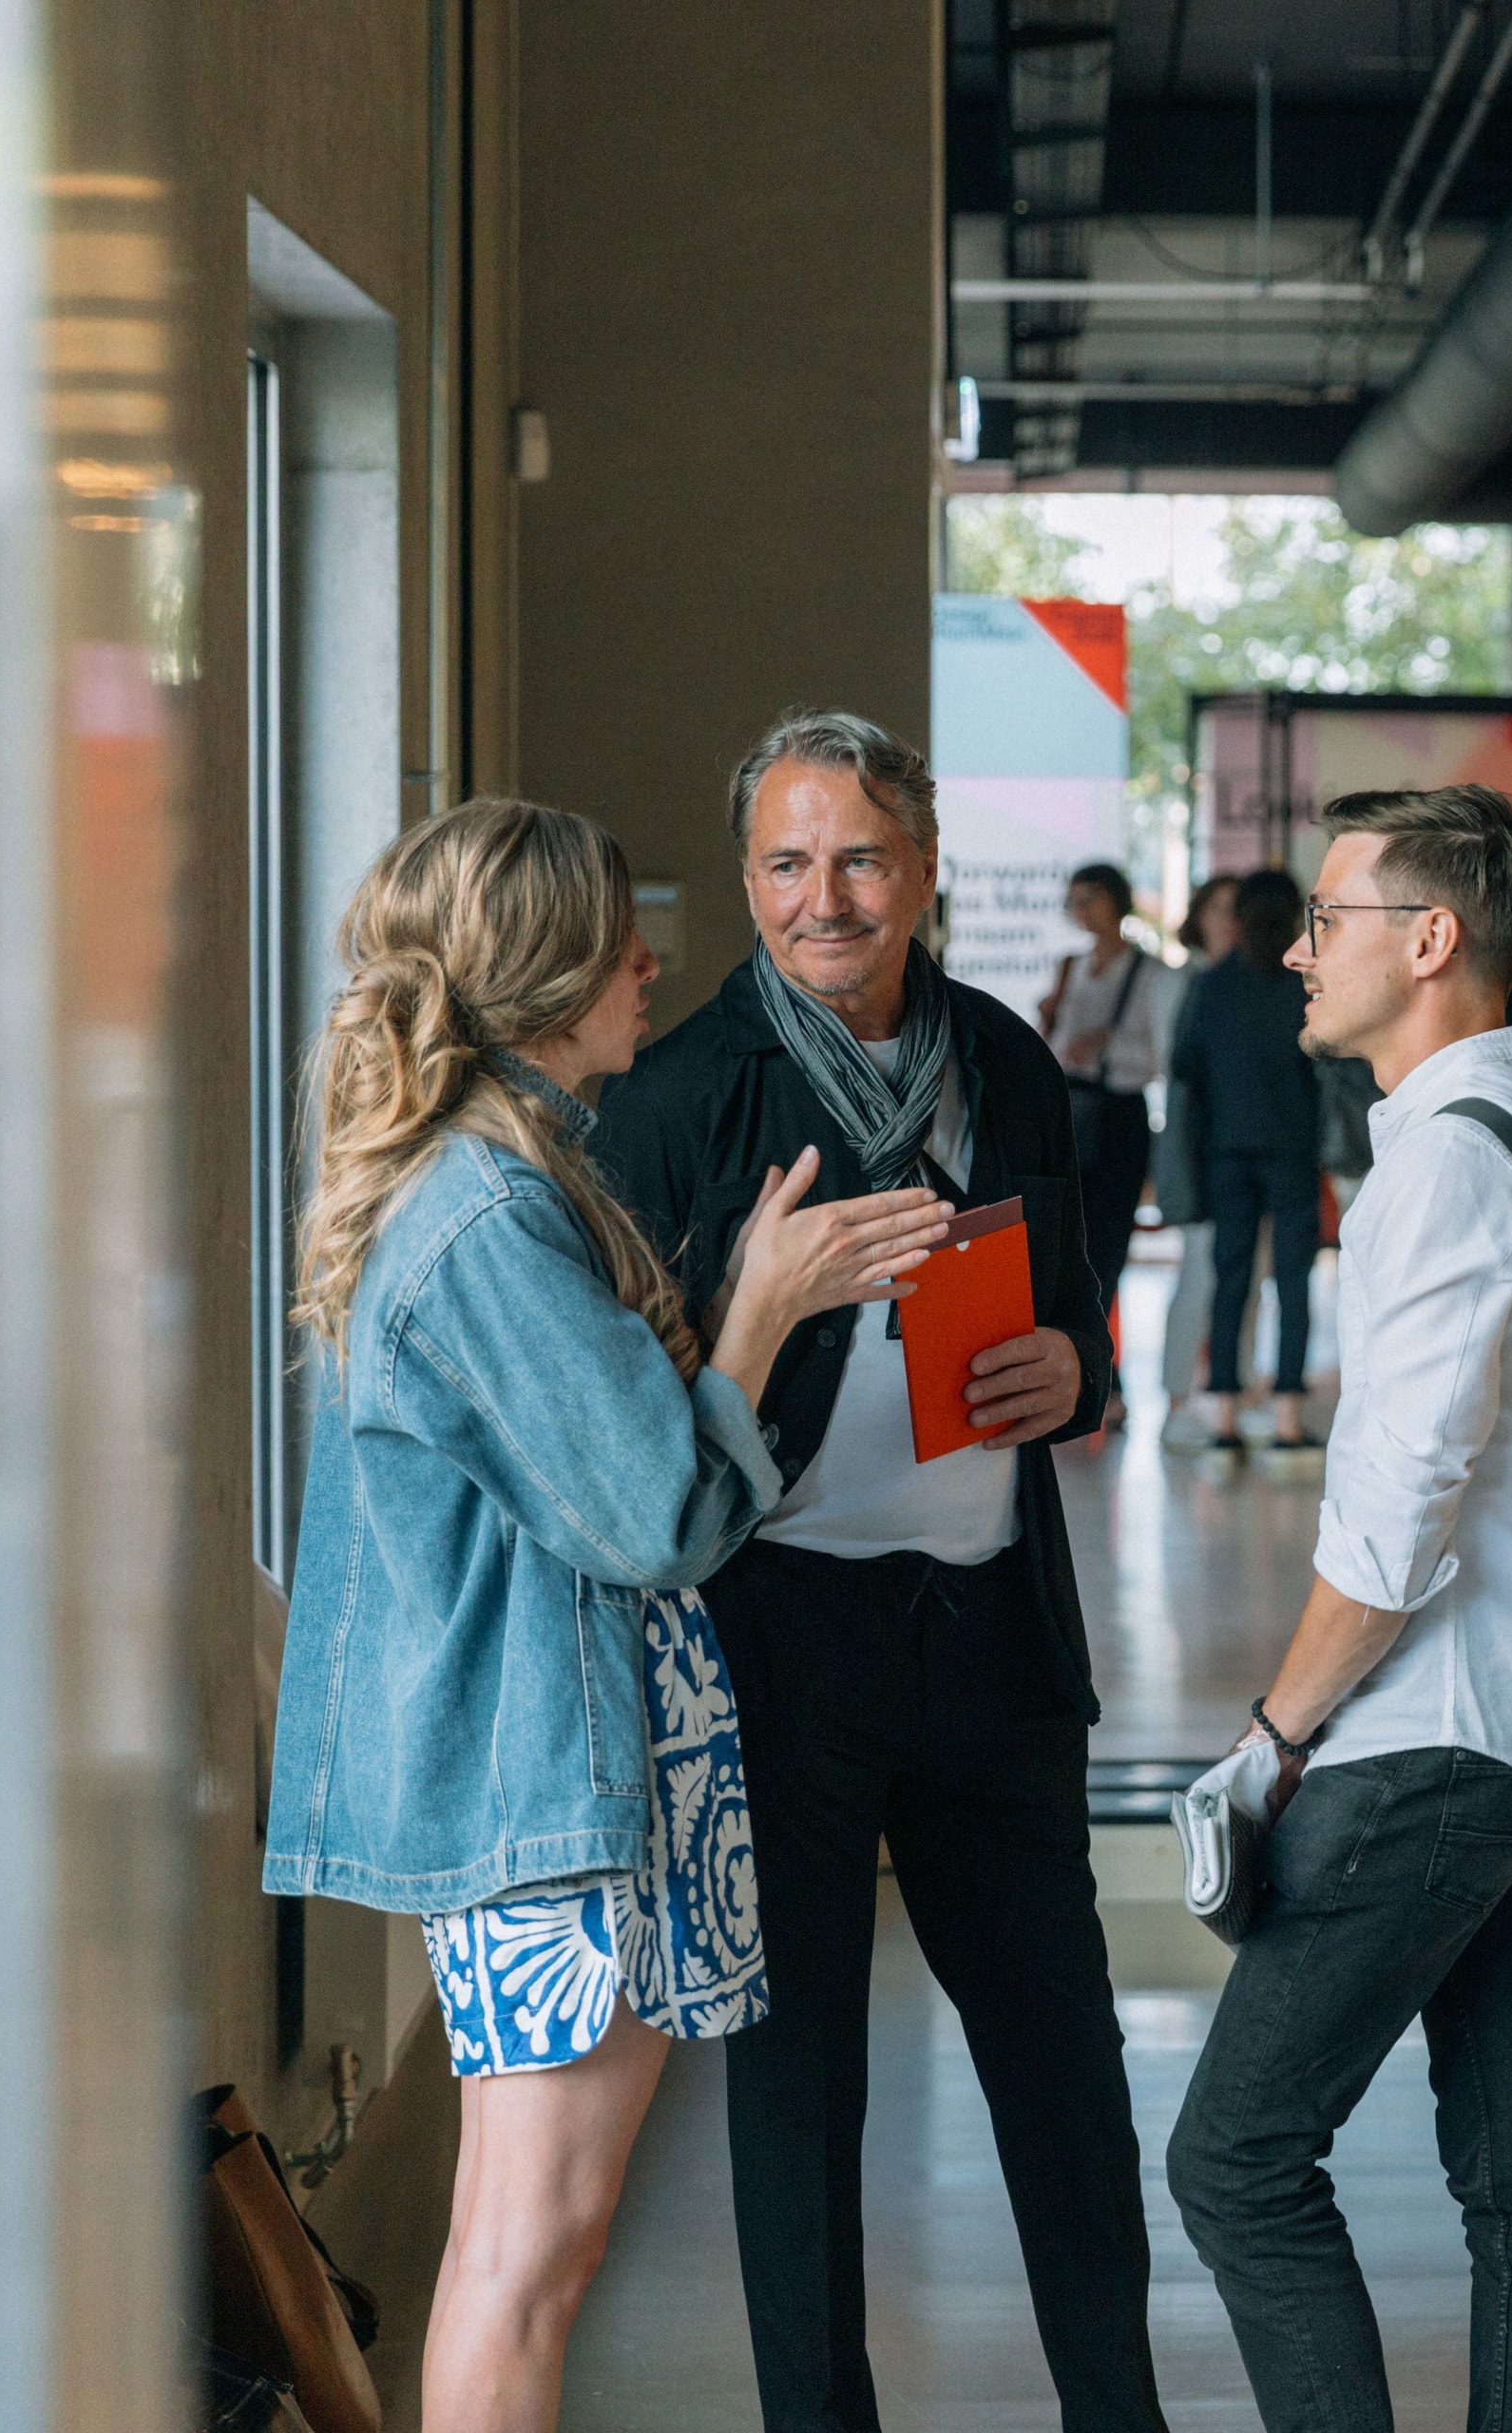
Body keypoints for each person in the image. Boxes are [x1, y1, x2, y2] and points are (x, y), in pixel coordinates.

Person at [262, 797, 957, 2433]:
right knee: (527, 2250)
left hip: (576, 1780)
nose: (654, 957)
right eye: (616, 933)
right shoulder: (486, 1217)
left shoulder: (500, 1185)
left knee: (539, 2244)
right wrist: (764, 1313)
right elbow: (650, 1515)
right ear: (547, 975)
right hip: (552, 1791)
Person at [593, 712, 1166, 2433]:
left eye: (858, 858)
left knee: (1066, 2074)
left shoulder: (1004, 1061)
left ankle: (1117, 2415)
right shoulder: (689, 1093)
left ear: (924, 872)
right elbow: (630, 1400)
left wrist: (1083, 1372)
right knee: (798, 2098)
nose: (822, 897)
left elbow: (1074, 1314)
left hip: (990, 1640)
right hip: (778, 1651)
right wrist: (770, 1307)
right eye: (786, 861)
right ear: (751, 882)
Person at [1168, 783, 1512, 2433]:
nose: (1300, 954)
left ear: (1432, 939)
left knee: (1236, 2161)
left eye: (1328, 920)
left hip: (1442, 1744)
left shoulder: (1447, 1167)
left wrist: (1273, 1735)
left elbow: (1391, 1526)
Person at [1173, 869, 1324, 1450]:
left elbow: (1186, 1068)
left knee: (1230, 1281)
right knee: (1293, 1281)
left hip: (1225, 1153)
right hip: (1293, 1151)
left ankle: (1226, 1415)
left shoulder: (1212, 986)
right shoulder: (1304, 987)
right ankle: (1286, 1417)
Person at [1041, 860, 1175, 1427]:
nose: (1080, 909)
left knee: (1109, 1249)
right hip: (1069, 1111)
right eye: (1075, 899)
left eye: (1090, 898)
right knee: (1070, 1244)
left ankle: (1106, 1377)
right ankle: (1088, 1373)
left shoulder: (1147, 971)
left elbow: (1158, 1058)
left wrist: (1109, 1044)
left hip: (1118, 1113)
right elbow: (1054, 1045)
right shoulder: (1070, 967)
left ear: (1117, 902)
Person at [1156, 874, 1242, 1441]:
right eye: (1220, 909)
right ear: (1201, 915)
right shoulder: (1181, 981)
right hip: (1196, 1145)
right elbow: (1174, 1066)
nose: (1230, 920)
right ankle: (1177, 1398)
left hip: (1240, 1147)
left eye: (1239, 910)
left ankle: (1233, 1390)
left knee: (1243, 1276)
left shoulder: (1257, 983)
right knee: (1200, 1272)